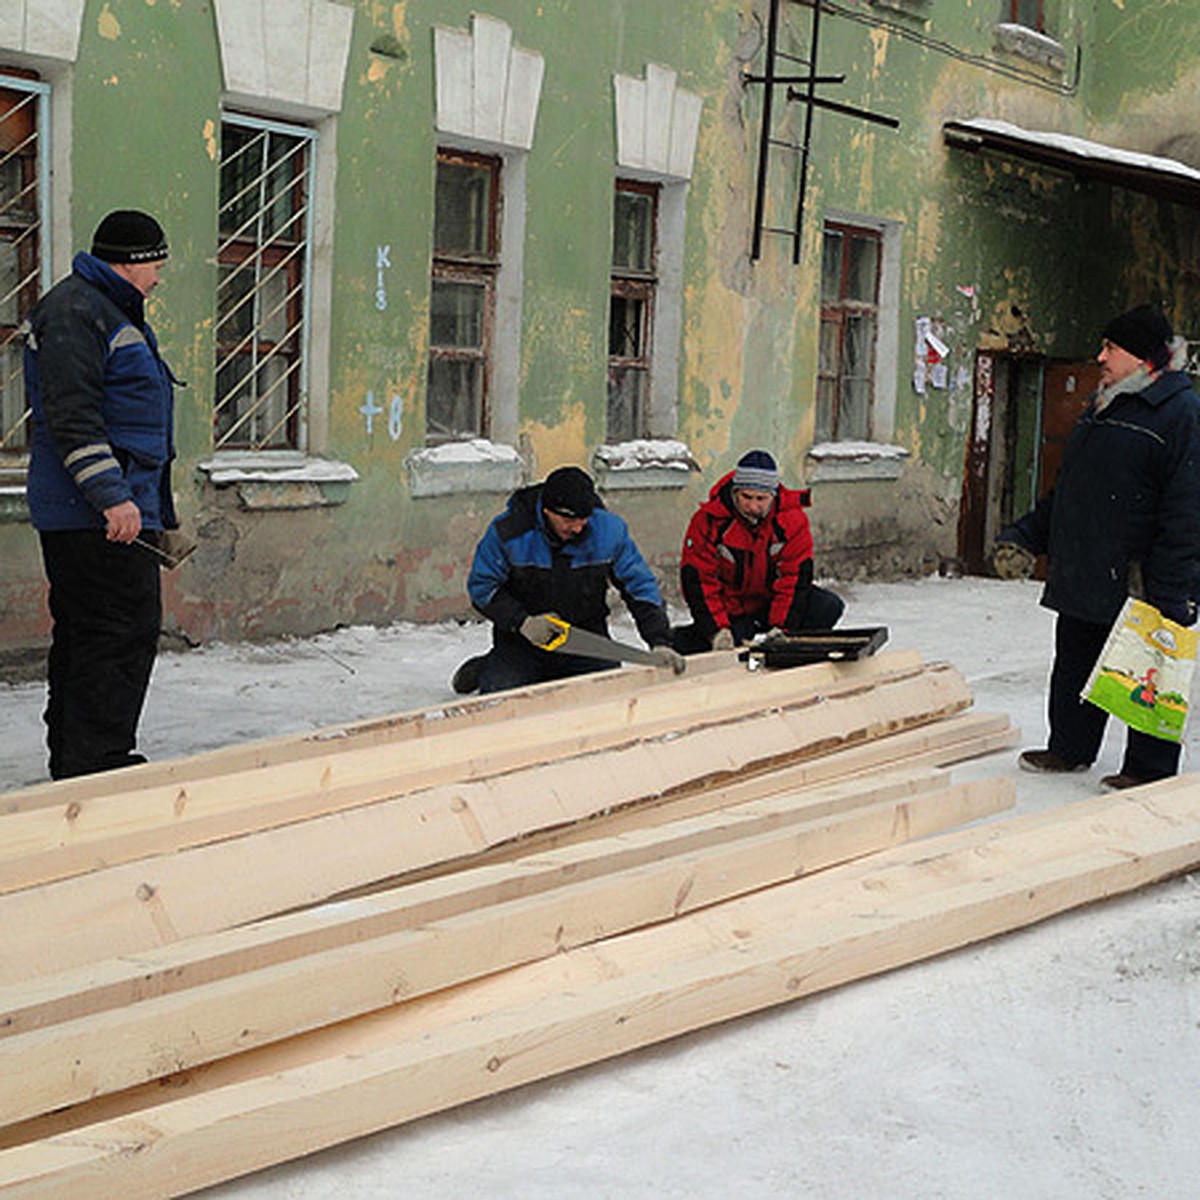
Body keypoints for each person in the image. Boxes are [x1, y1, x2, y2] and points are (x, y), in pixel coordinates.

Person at [993, 303, 1200, 790]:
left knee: (1148, 672)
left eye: (1111, 347)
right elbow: (1070, 491)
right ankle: (1070, 747)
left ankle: (1148, 769)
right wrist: (1026, 535)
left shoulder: (1181, 415)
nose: (1100, 357)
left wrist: (1171, 587)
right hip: (1088, 565)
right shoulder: (1105, 406)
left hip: (1143, 576)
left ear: (1145, 358)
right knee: (1075, 663)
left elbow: (1188, 509)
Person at [25, 209, 181, 779]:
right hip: (93, 516)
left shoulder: (105, 308)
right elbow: (72, 416)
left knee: (93, 635)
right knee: (116, 634)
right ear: (133, 263)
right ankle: (97, 766)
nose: (159, 278)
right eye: (156, 266)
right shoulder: (76, 311)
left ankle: (80, 762)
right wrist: (113, 497)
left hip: (110, 510)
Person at [452, 465, 685, 694]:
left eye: (584, 519)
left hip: (586, 640)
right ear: (547, 511)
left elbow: (640, 586)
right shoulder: (509, 532)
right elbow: (482, 588)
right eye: (569, 520)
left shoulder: (609, 531)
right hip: (524, 640)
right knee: (504, 695)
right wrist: (523, 622)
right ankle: (486, 667)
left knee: (606, 695)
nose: (577, 527)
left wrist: (659, 641)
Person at [672, 449, 844, 653]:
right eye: (746, 497)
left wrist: (781, 628)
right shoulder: (708, 521)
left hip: (769, 604)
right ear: (735, 492)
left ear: (773, 495)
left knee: (826, 606)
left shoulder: (792, 521)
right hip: (731, 609)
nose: (753, 506)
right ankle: (681, 641)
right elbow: (699, 581)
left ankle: (794, 658)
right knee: (701, 646)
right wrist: (717, 630)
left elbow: (794, 579)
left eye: (761, 499)